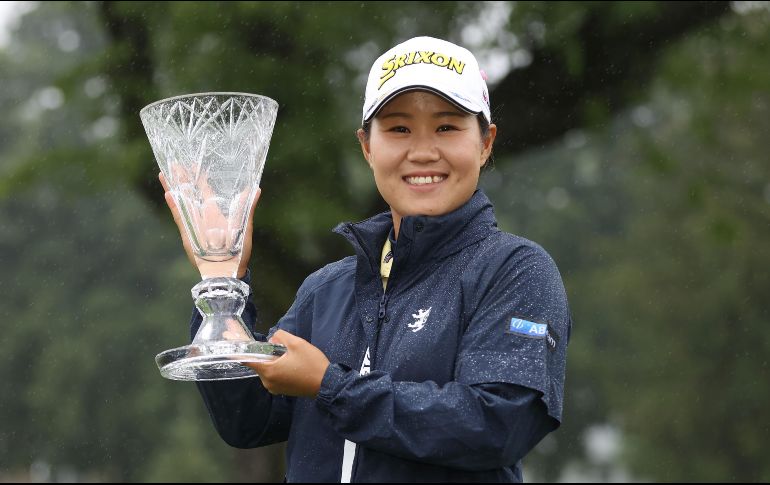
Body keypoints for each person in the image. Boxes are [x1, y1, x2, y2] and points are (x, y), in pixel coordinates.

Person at [161, 36, 571, 483]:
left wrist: (330, 386)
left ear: (486, 142)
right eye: (399, 129)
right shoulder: (327, 288)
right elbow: (248, 421)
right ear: (367, 147)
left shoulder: (514, 270)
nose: (423, 151)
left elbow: (497, 425)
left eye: (447, 127)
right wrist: (224, 282)